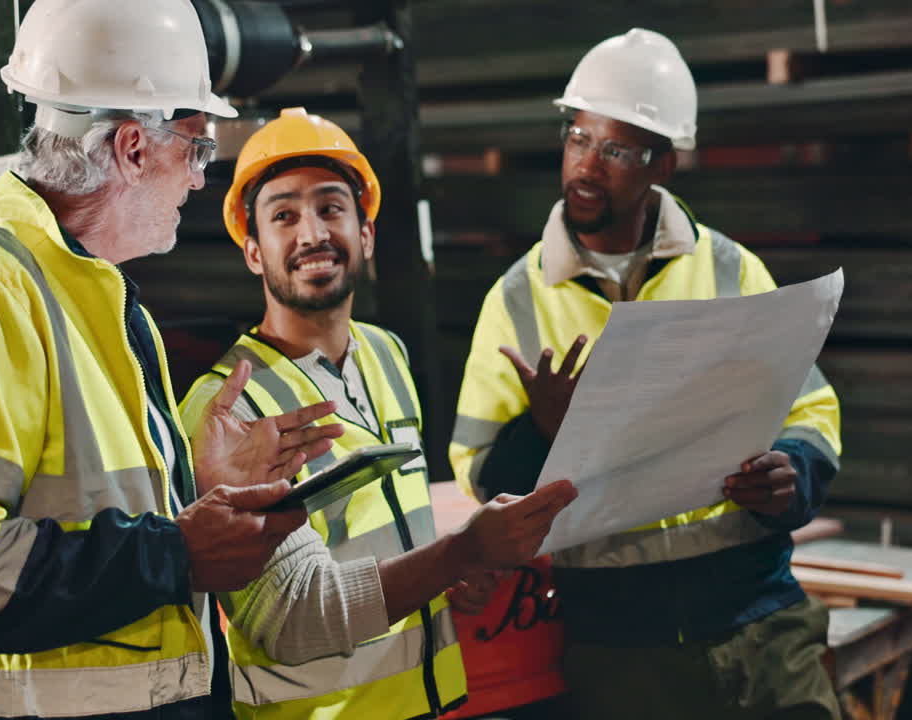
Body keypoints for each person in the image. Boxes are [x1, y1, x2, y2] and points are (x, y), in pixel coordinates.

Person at [0, 3, 345, 719]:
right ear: (133, 149)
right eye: (197, 149)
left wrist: (194, 490)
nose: (201, 180)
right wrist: (176, 553)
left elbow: (75, 512)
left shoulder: (94, 296)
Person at [450, 29, 844, 720]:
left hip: (766, 627)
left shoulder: (731, 271)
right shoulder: (515, 301)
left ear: (663, 162)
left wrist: (791, 472)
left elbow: (810, 410)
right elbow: (480, 474)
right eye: (577, 137)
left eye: (616, 150)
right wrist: (543, 434)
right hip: (624, 654)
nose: (586, 165)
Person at [177, 107, 577, 720]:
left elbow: (389, 540)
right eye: (283, 215)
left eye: (331, 208)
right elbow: (289, 622)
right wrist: (459, 553)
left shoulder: (386, 354)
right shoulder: (224, 410)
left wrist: (447, 577)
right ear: (253, 252)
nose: (312, 233)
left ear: (365, 234)